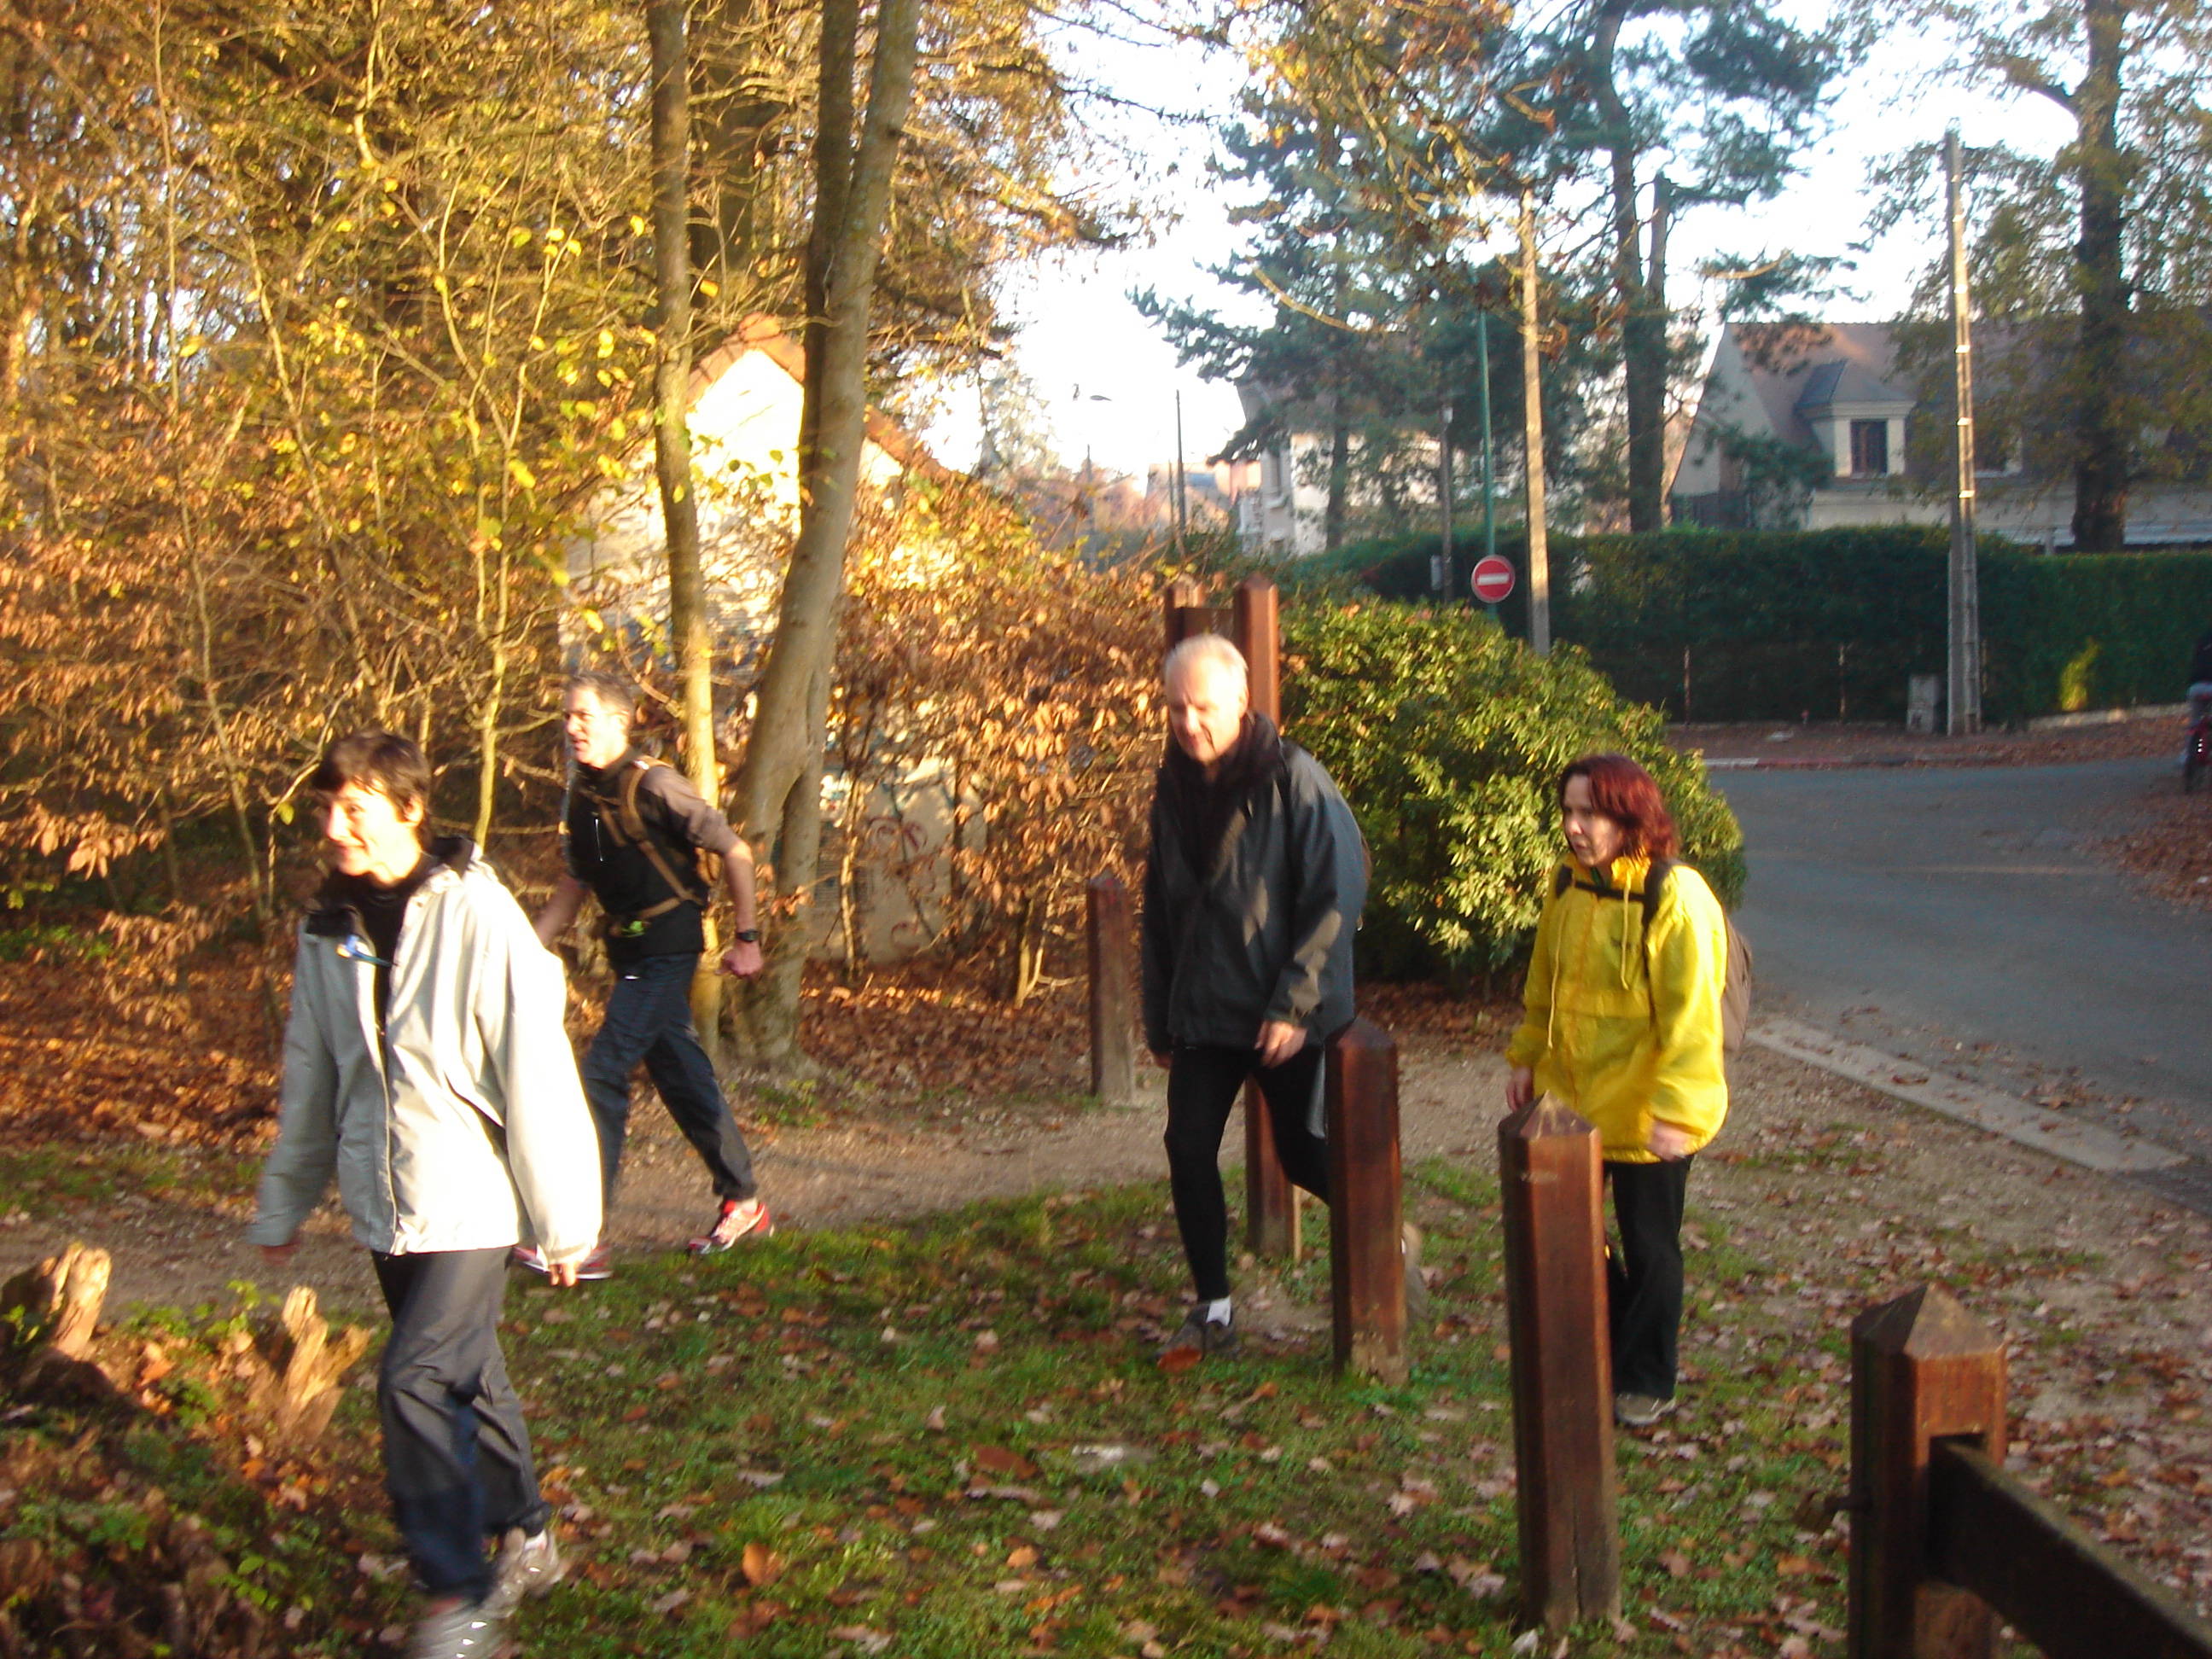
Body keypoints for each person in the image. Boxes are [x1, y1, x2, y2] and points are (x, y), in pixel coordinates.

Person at [247, 732, 601, 1659]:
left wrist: (565, 1220)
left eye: (355, 810)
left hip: (471, 1196)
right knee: (466, 1373)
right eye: (326, 809)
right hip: (386, 1200)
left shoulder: (477, 912)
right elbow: (312, 1074)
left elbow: (535, 1064)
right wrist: (284, 1200)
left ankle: (456, 1595)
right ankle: (528, 1534)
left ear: (410, 811)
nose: (334, 827)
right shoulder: (327, 929)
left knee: (412, 1378)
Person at [1141, 633, 1368, 1358]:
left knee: (1306, 1158)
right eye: (1175, 708)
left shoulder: (1295, 778)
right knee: (1187, 1149)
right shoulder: (1172, 786)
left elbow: (1337, 896)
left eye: (1202, 707)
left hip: (1283, 1016)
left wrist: (1294, 1007)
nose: (1187, 723)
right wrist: (1160, 1018)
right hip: (1204, 1012)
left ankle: (1385, 1236)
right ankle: (1213, 1309)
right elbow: (1160, 910)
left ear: (1241, 701)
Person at [1504, 753, 1730, 1429]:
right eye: (1568, 812)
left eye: (1590, 814)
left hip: (1646, 1111)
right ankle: (1615, 1346)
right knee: (1571, 1235)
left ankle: (1646, 1379)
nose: (1574, 827)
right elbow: (1544, 983)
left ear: (1630, 818)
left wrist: (1678, 1112)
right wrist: (1527, 1057)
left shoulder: (1675, 894)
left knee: (1651, 1248)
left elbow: (1693, 1018)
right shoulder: (1567, 885)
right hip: (1572, 1105)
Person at [525, 671, 770, 1272]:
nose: (571, 727)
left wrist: (747, 938)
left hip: (668, 945)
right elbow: (575, 885)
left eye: (583, 716)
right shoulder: (584, 796)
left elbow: (735, 851)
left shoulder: (655, 784)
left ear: (619, 722)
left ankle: (582, 1237)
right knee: (681, 1075)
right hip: (629, 951)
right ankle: (744, 1200)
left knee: (603, 1070)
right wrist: (525, 951)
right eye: (566, 717)